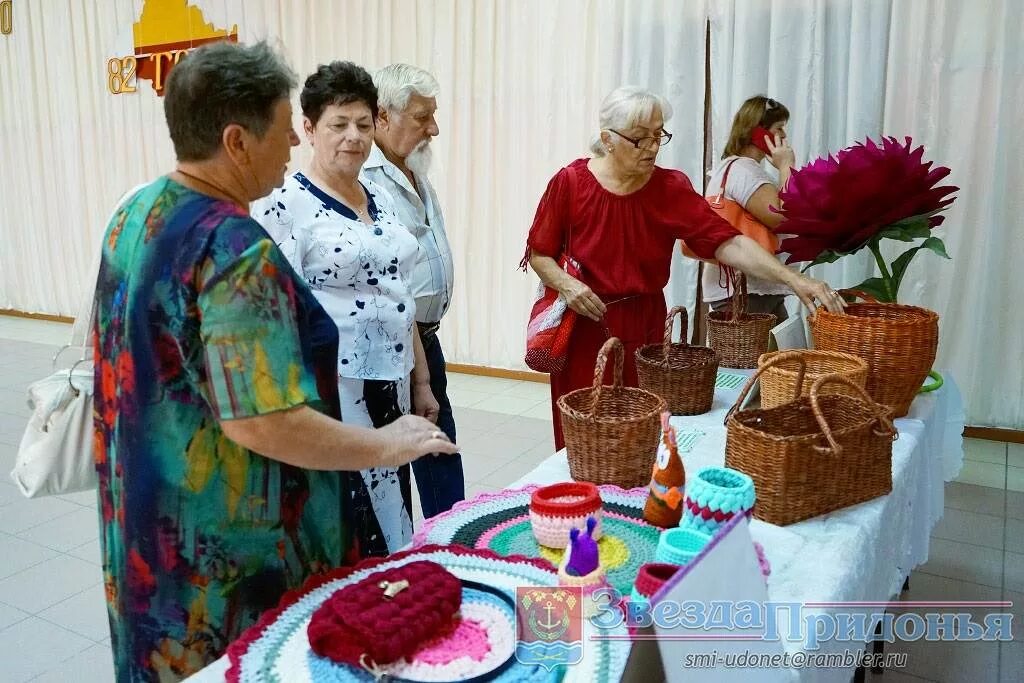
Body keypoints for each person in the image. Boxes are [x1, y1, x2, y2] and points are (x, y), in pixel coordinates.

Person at [93, 41, 456, 681]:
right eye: (283, 125)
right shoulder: (235, 248)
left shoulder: (137, 211)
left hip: (146, 522)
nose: (294, 140)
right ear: (237, 141)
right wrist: (384, 446)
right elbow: (263, 421)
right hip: (226, 549)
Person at [523, 86, 845, 449]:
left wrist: (793, 279)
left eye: (659, 135)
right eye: (640, 139)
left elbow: (729, 241)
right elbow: (539, 253)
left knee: (641, 438)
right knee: (586, 439)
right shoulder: (570, 183)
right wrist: (568, 285)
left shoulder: (670, 188)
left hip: (645, 328)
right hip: (585, 327)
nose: (652, 147)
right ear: (607, 140)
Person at [253, 61, 435, 555]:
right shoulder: (282, 206)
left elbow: (398, 292)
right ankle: (357, 604)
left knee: (392, 490)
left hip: (391, 377)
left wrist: (421, 381)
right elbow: (273, 317)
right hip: (335, 386)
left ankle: (394, 591)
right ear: (309, 129)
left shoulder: (378, 194)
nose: (353, 137)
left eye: (362, 124)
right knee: (350, 507)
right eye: (338, 124)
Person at [361, 63, 464, 519]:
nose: (434, 129)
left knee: (438, 446)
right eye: (422, 118)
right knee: (399, 458)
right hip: (387, 345)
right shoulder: (364, 176)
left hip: (425, 338)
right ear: (383, 116)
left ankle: (454, 540)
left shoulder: (413, 168)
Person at [703, 95, 796, 321]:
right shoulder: (745, 171)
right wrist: (787, 167)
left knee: (780, 354)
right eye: (779, 128)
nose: (784, 135)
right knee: (762, 356)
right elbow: (782, 217)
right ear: (757, 132)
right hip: (748, 291)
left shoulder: (735, 168)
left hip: (754, 288)